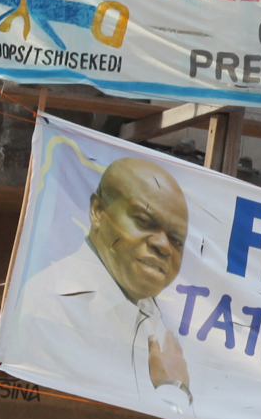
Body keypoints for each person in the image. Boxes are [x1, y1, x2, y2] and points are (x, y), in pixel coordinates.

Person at [19, 154, 193, 402]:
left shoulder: (151, 315)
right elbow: (90, 414)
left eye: (176, 240)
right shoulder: (53, 302)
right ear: (98, 211)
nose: (164, 246)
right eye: (144, 221)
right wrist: (173, 391)